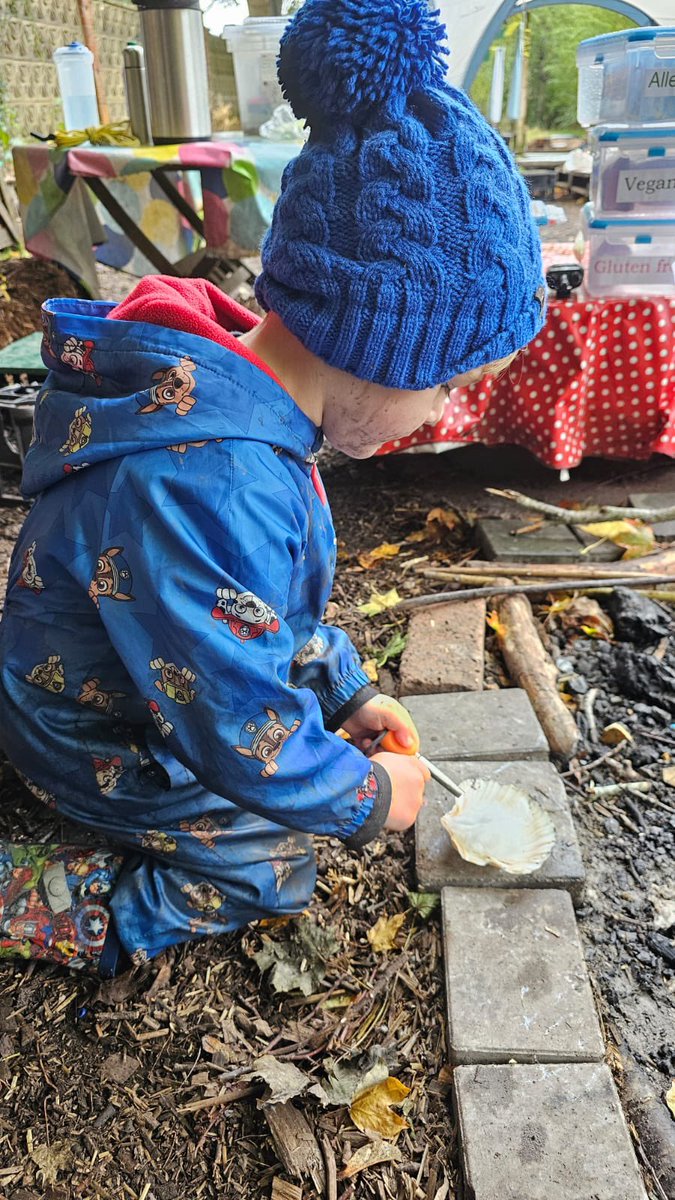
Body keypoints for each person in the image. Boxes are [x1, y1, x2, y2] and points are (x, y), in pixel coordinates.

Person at [0, 0, 545, 975]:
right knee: (270, 862)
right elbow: (231, 723)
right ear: (383, 349)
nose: (440, 419)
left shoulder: (234, 402)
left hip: (141, 677)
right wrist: (370, 798)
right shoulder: (211, 483)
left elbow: (252, 612)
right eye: (446, 387)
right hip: (96, 732)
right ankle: (38, 899)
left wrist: (341, 691)